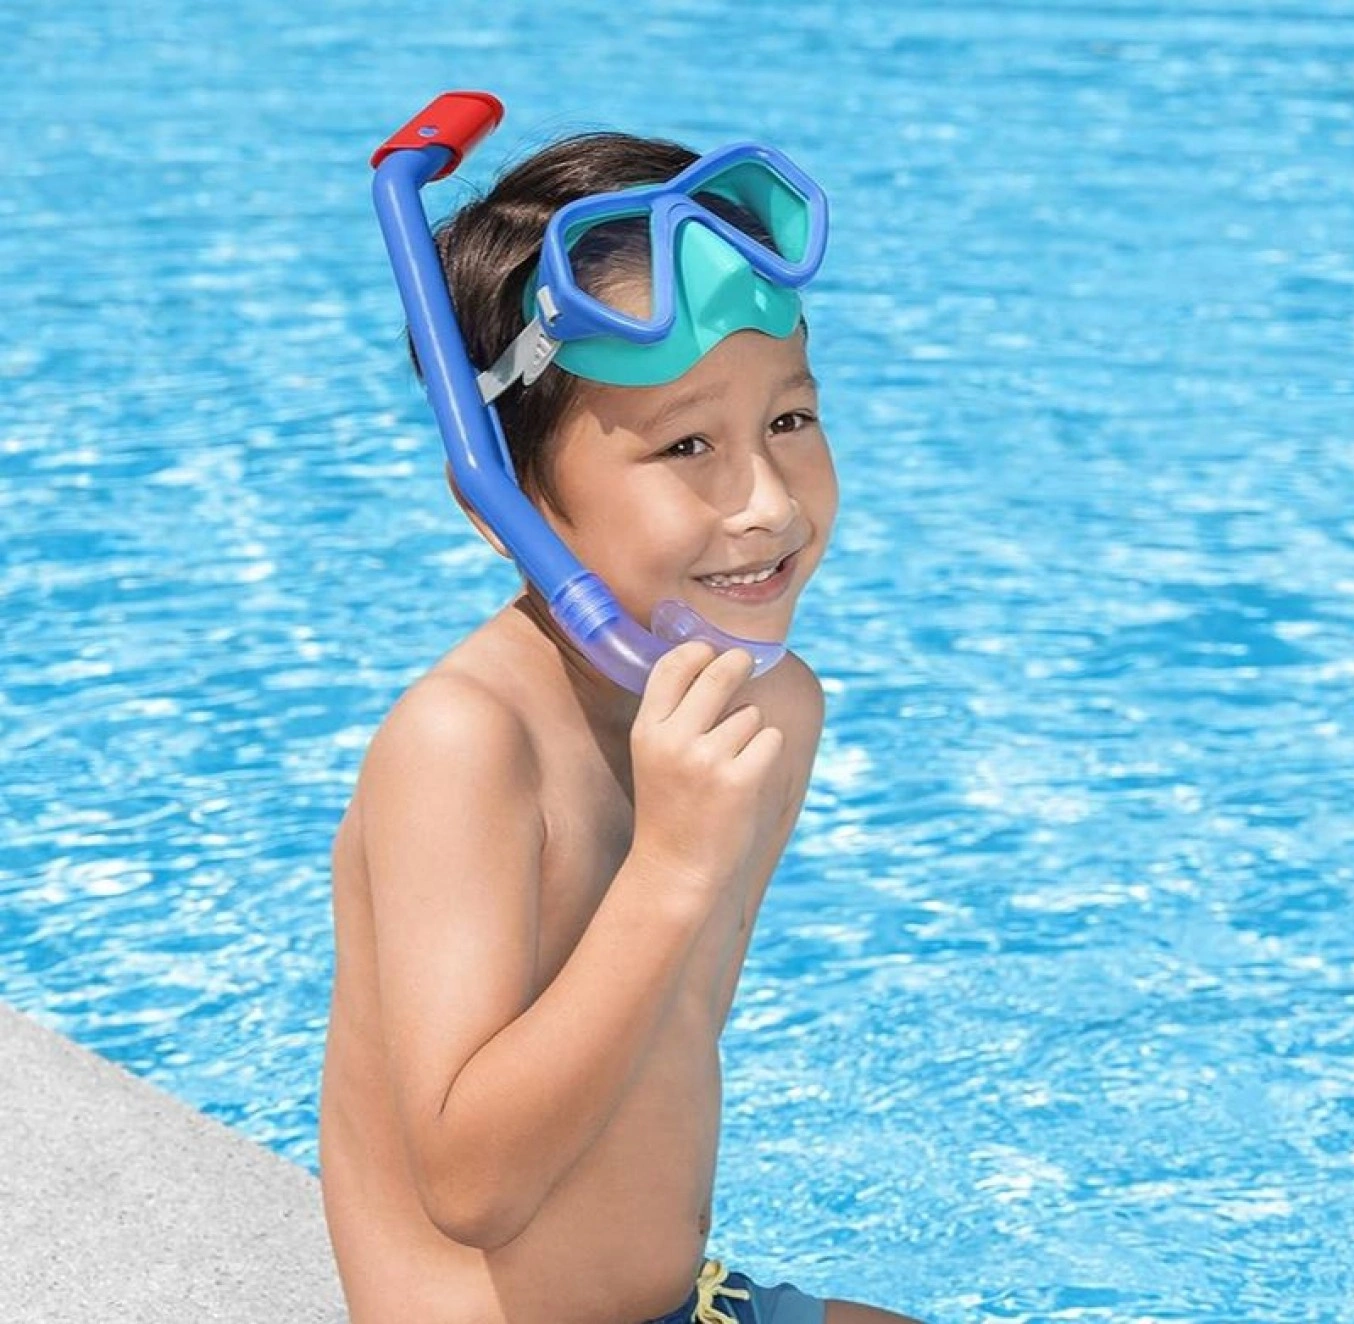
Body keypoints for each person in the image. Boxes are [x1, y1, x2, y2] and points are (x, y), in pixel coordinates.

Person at [320, 125, 923, 1324]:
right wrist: (672, 865)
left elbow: (665, 1053)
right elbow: (473, 1188)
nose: (766, 503)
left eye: (788, 421)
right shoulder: (468, 745)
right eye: (686, 444)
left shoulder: (768, 710)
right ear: (501, 499)